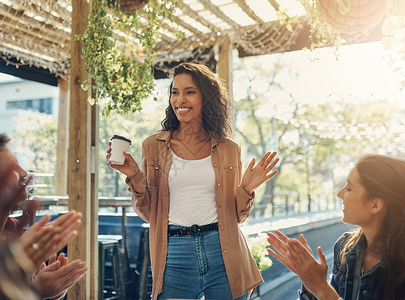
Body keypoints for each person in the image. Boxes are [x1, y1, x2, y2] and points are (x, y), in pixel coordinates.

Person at [108, 62, 280, 300]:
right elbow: (150, 213)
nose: (180, 100)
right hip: (174, 254)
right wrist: (134, 175)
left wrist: (247, 187)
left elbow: (236, 216)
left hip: (224, 252)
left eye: (189, 92)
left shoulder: (229, 149)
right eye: (175, 92)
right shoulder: (152, 146)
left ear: (206, 97)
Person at [0, 134, 88, 300]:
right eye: (12, 166)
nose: (23, 172)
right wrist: (37, 290)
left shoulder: (14, 230)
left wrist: (51, 294)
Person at [267, 154, 405, 300]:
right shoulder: (344, 247)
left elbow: (328, 295)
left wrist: (322, 288)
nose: (340, 194)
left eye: (349, 188)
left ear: (376, 205)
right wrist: (309, 281)